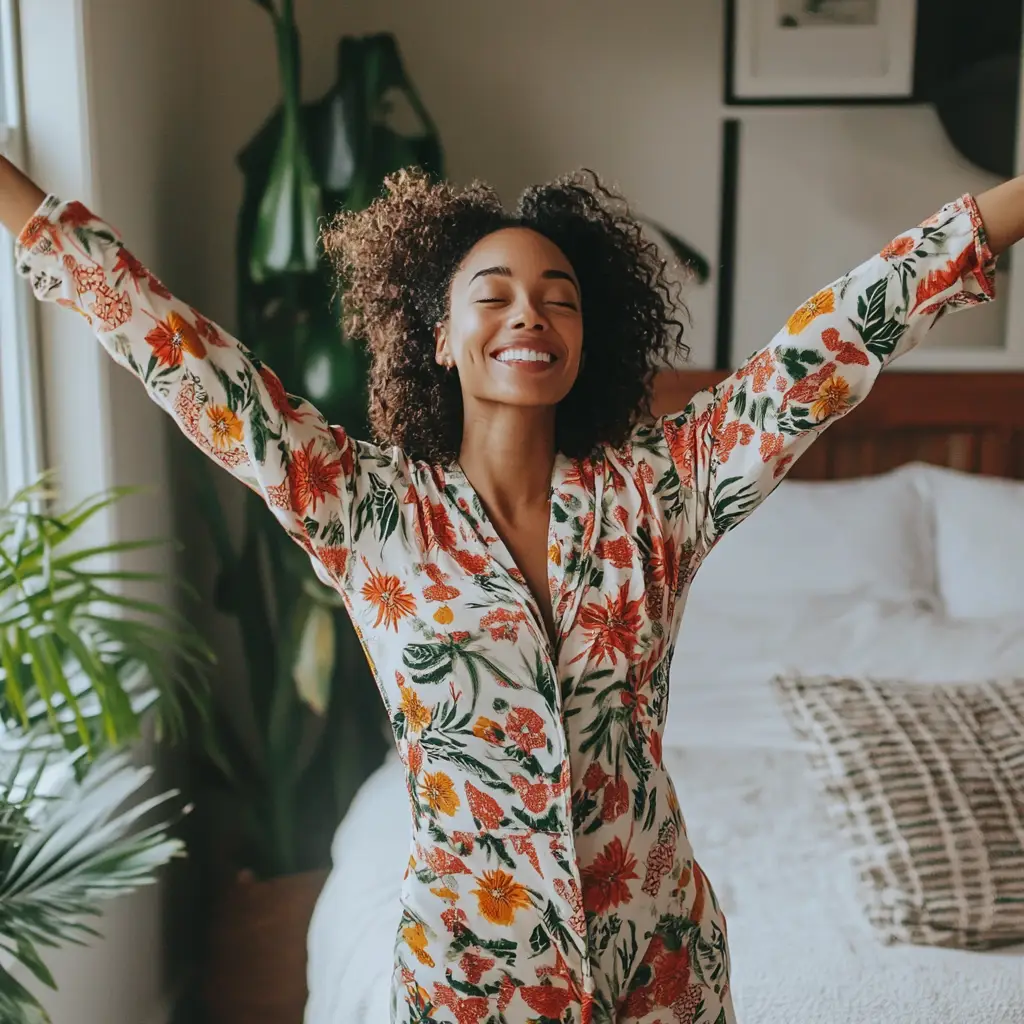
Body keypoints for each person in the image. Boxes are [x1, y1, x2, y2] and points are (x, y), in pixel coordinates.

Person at [2, 154, 1022, 1024]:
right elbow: (178, 351)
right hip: (467, 977)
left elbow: (838, 339)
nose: (528, 312)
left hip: (656, 967)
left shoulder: (663, 492)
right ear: (436, 336)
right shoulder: (364, 508)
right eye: (491, 293)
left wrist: (1003, 209)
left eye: (559, 298)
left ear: (586, 343)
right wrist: (20, 205)